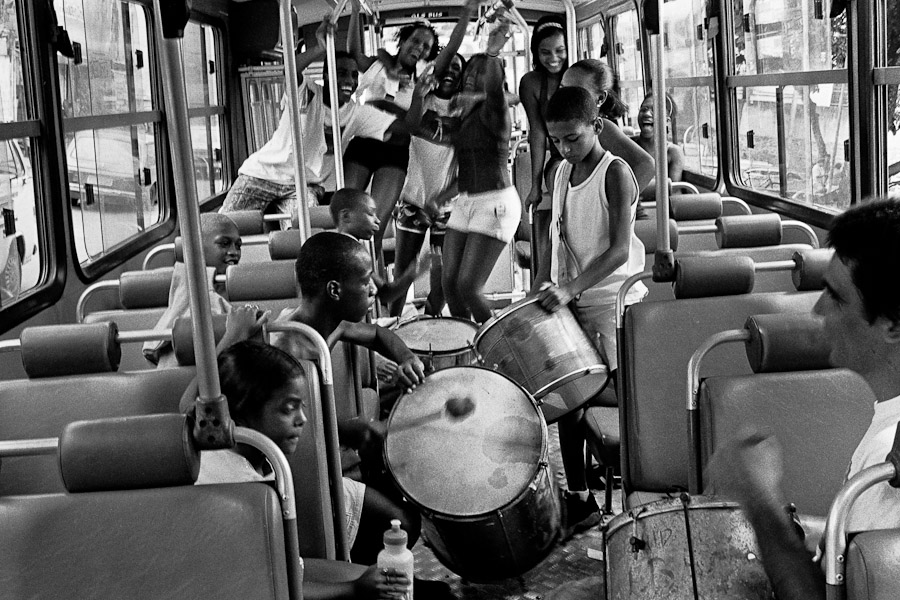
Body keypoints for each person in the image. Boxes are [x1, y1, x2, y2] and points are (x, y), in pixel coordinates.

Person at [707, 197, 900, 600]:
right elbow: (859, 555)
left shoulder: (887, 461)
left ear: (892, 326)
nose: (817, 307)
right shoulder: (887, 419)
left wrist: (759, 496)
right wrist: (804, 528)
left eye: (836, 296)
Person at [185, 312, 412, 600]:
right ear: (240, 412)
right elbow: (269, 588)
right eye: (288, 409)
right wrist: (353, 589)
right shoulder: (243, 493)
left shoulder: (249, 461)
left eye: (302, 407)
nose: (303, 419)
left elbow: (286, 570)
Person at [271, 233, 435, 572]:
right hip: (306, 479)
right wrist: (356, 430)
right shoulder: (294, 350)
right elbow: (302, 436)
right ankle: (358, 577)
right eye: (364, 282)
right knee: (403, 522)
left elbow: (377, 334)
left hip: (333, 460)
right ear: (334, 290)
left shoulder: (328, 324)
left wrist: (405, 357)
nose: (373, 289)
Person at [532, 86, 648, 536]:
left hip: (614, 302)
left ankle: (618, 479)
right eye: (556, 140)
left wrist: (569, 289)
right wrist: (544, 280)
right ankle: (579, 495)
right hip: (574, 299)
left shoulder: (614, 173)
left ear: (597, 126)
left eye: (573, 138)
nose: (564, 148)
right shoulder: (562, 172)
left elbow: (619, 251)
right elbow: (556, 233)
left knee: (596, 395)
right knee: (566, 396)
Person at [220, 17, 401, 223]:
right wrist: (319, 48)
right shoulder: (308, 93)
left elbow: (402, 127)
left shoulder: (355, 113)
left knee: (308, 230)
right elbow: (290, 70)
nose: (348, 81)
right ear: (325, 75)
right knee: (222, 225)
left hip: (303, 185)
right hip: (262, 174)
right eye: (341, 74)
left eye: (353, 75)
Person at [345, 0, 479, 254]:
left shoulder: (422, 77)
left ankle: (377, 281)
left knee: (375, 226)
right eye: (415, 41)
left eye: (426, 47)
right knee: (350, 214)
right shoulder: (377, 65)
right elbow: (354, 51)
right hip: (363, 145)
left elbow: (451, 49)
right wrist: (354, 10)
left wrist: (467, 12)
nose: (419, 48)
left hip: (394, 153)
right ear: (403, 41)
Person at [409, 22, 520, 324]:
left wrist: (493, 52)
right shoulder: (462, 116)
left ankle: (496, 344)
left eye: (479, 72)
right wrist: (441, 197)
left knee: (470, 288)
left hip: (495, 203)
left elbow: (498, 93)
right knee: (449, 285)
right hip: (466, 201)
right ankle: (467, 340)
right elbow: (463, 170)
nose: (471, 77)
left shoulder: (496, 113)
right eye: (469, 72)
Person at [389, 51, 468, 318]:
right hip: (412, 199)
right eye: (445, 66)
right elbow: (411, 125)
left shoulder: (466, 110)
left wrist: (442, 197)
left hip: (448, 205)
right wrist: (419, 94)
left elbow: (468, 169)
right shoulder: (421, 100)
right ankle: (394, 323)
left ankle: (433, 321)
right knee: (403, 271)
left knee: (446, 277)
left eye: (456, 68)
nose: (449, 71)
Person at [559, 59, 654, 218]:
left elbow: (647, 165)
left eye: (577, 92)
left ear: (600, 98)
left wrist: (612, 205)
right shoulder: (568, 126)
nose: (567, 98)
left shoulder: (602, 128)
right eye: (563, 89)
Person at [143, 213, 240, 367]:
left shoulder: (234, 289)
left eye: (238, 245)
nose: (234, 252)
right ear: (197, 247)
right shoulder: (198, 301)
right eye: (224, 243)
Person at [518, 15, 569, 275]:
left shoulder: (578, 75)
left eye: (560, 51)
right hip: (559, 160)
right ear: (536, 53)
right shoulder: (531, 83)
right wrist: (535, 186)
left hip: (590, 158)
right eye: (545, 52)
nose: (553, 58)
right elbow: (537, 133)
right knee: (566, 178)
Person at [329, 187, 425, 309]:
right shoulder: (351, 253)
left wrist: (412, 274)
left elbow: (385, 293)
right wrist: (411, 274)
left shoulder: (347, 248)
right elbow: (386, 294)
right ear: (346, 216)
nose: (378, 220)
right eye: (370, 213)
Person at [630, 92, 685, 202]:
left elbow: (672, 192)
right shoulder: (628, 144)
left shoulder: (672, 152)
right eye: (643, 109)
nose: (647, 114)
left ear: (666, 121)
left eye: (654, 110)